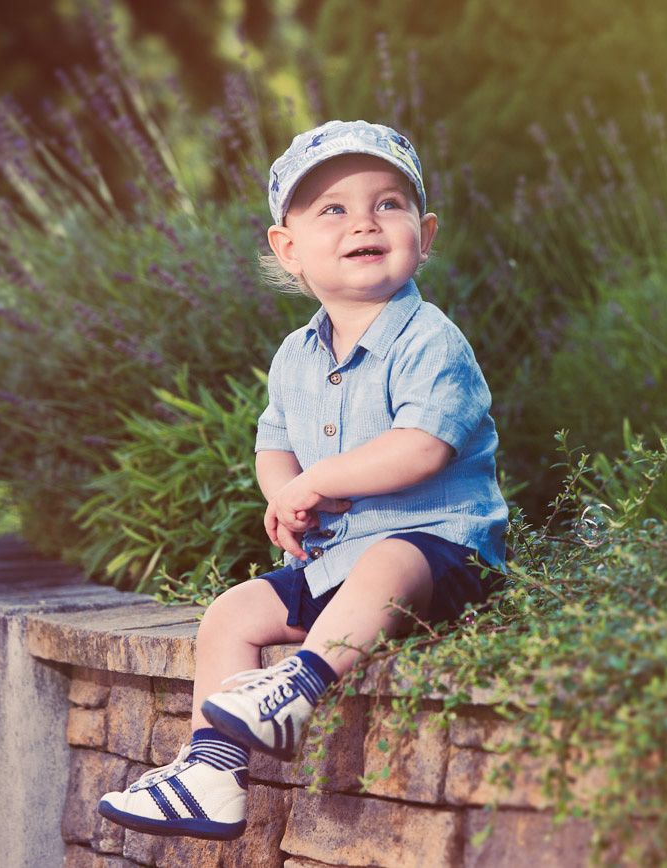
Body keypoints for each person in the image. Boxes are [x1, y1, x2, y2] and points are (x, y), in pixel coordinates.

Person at [97, 120, 509, 840]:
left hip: (441, 558)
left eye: (388, 204)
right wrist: (285, 495)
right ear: (288, 249)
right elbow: (274, 443)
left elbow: (421, 449)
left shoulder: (431, 339)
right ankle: (211, 772)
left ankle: (299, 686)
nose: (364, 223)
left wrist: (317, 479)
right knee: (231, 614)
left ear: (424, 235)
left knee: (390, 558)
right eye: (333, 209)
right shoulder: (296, 355)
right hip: (335, 566)